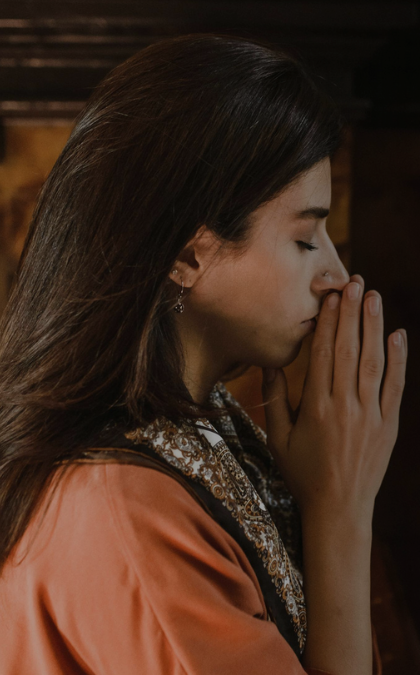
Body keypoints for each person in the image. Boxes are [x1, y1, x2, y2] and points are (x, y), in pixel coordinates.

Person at [0, 33, 406, 675]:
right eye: (305, 239)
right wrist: (341, 512)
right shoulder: (125, 506)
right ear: (189, 255)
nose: (335, 274)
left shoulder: (210, 428)